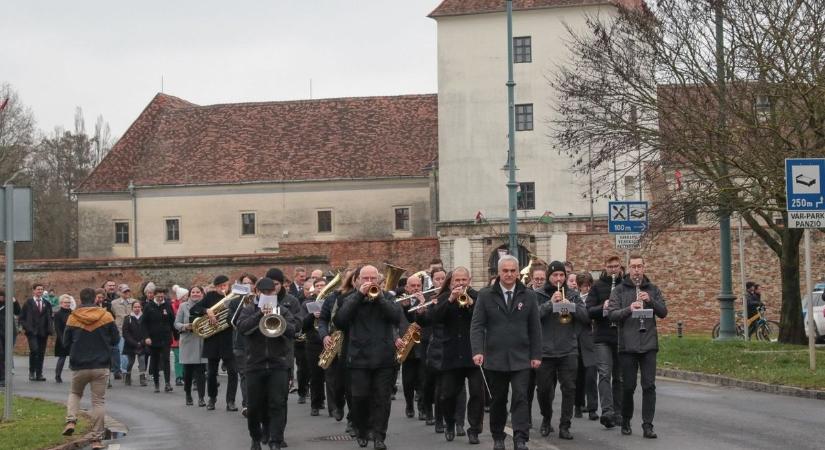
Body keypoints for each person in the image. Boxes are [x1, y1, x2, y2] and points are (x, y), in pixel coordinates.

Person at [471, 255, 542, 450]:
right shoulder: (486, 295)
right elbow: (477, 325)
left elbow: (535, 327)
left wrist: (536, 355)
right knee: (498, 400)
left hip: (522, 357)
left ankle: (520, 438)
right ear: (499, 272)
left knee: (520, 397)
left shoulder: (528, 296)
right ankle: (498, 436)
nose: (509, 274)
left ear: (518, 272)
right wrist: (477, 350)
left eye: (513, 271)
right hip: (495, 357)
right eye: (505, 271)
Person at [333, 265, 404, 450]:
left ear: (379, 280)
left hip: (384, 359)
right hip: (358, 358)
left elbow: (396, 317)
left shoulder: (387, 297)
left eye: (373, 278)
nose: (370, 282)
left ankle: (380, 436)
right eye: (366, 278)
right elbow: (340, 321)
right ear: (357, 280)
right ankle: (362, 430)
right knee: (359, 398)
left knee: (382, 400)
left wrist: (379, 297)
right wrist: (359, 296)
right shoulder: (348, 298)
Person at [237, 277, 301, 450]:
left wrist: (277, 316)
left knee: (277, 404)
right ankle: (256, 439)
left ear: (275, 292)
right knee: (254, 405)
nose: (268, 294)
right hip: (254, 364)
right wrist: (260, 314)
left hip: (277, 364)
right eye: (264, 292)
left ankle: (275, 440)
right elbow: (242, 327)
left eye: (271, 292)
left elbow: (293, 331)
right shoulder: (249, 309)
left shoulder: (282, 310)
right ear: (257, 292)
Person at [608, 254, 668, 439]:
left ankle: (647, 425)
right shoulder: (619, 290)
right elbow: (612, 314)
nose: (636, 270)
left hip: (649, 344)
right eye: (633, 267)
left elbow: (663, 312)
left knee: (649, 386)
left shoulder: (653, 289)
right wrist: (629, 309)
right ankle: (625, 420)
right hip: (628, 346)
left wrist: (650, 300)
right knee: (628, 386)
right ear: (628, 269)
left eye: (639, 267)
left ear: (644, 268)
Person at [428, 267, 483, 444]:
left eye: (463, 280)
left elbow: (484, 319)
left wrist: (471, 306)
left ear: (469, 280)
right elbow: (434, 318)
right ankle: (450, 422)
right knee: (447, 394)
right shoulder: (444, 297)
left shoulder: (478, 297)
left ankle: (474, 429)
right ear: (451, 282)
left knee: (477, 394)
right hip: (451, 352)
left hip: (473, 352)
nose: (460, 284)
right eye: (457, 281)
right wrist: (451, 300)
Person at [536, 261, 589, 440]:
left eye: (561, 275)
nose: (559, 278)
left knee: (569, 389)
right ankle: (546, 418)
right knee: (543, 390)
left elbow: (585, 317)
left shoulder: (573, 295)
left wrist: (570, 306)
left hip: (568, 350)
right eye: (555, 275)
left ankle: (565, 425)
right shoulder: (538, 295)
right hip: (545, 351)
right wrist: (550, 304)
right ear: (549, 277)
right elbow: (532, 317)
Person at [61, 287, 120, 450]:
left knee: (75, 393)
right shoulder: (106, 316)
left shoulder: (73, 317)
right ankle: (96, 439)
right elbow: (115, 339)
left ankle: (71, 420)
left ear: (80, 300)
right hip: (101, 365)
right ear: (95, 299)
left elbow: (65, 342)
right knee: (98, 401)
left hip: (79, 364)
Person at [191, 275, 239, 411]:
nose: (223, 288)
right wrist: (207, 311)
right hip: (212, 340)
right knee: (211, 373)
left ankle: (231, 401)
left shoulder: (234, 297)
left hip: (229, 339)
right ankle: (212, 398)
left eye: (225, 285)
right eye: (220, 286)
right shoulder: (210, 296)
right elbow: (193, 310)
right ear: (216, 287)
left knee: (233, 372)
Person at [587, 256, 624, 429]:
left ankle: (619, 412)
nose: (613, 269)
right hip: (602, 336)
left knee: (619, 377)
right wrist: (603, 306)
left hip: (621, 336)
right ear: (605, 267)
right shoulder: (597, 286)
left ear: (620, 267)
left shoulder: (625, 286)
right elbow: (588, 310)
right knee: (604, 374)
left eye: (616, 266)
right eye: (610, 266)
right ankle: (607, 412)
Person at [318, 268, 357, 433]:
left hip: (352, 344)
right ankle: (338, 405)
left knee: (353, 386)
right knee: (335, 382)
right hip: (334, 341)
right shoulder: (332, 297)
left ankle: (352, 419)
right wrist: (324, 335)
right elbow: (323, 319)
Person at [398, 273, 428, 420]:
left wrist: (422, 304)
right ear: (407, 287)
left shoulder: (426, 300)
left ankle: (422, 408)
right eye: (413, 286)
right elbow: (401, 321)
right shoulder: (402, 302)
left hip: (422, 344)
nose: (416, 288)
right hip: (407, 344)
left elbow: (425, 320)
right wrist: (406, 307)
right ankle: (409, 404)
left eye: (418, 286)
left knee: (423, 379)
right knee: (408, 380)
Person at [176, 285, 208, 406]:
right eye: (193, 292)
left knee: (201, 373)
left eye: (198, 292)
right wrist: (185, 326)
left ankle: (201, 398)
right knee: (188, 373)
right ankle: (188, 395)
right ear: (189, 294)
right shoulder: (183, 306)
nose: (195, 294)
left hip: (201, 341)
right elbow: (176, 323)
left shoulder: (207, 306)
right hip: (188, 341)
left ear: (202, 294)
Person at [300, 276, 328, 416]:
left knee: (330, 376)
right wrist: (312, 316)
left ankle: (334, 406)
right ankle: (315, 404)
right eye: (318, 286)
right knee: (316, 375)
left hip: (328, 341)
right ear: (314, 288)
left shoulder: (331, 302)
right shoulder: (307, 303)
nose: (321, 288)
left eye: (323, 285)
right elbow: (302, 326)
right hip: (313, 343)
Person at [142, 286, 176, 393]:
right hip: (153, 338)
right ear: (154, 295)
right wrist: (146, 337)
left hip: (165, 337)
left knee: (166, 360)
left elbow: (172, 321)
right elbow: (144, 323)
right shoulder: (149, 306)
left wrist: (176, 335)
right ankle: (156, 384)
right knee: (155, 361)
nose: (161, 297)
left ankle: (167, 383)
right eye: (159, 295)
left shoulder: (167, 305)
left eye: (162, 295)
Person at [20, 283, 53, 381]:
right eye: (38, 289)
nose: (40, 291)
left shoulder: (47, 303)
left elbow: (50, 317)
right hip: (32, 332)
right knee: (34, 350)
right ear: (33, 291)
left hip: (43, 332)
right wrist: (27, 327)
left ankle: (39, 374)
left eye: (41, 289)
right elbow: (22, 318)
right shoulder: (28, 303)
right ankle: (32, 372)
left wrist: (49, 329)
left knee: (41, 353)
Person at [110, 284, 136, 379]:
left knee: (131, 353)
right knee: (122, 351)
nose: (127, 293)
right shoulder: (114, 303)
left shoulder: (134, 302)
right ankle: (124, 371)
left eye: (128, 291)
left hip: (132, 331)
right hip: (120, 330)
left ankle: (127, 369)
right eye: (124, 292)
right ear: (120, 293)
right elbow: (113, 314)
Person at [122, 301, 147, 386]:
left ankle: (142, 378)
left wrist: (142, 342)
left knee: (142, 360)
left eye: (138, 307)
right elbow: (125, 333)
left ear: (141, 308)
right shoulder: (128, 318)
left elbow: (147, 330)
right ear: (132, 308)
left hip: (142, 343)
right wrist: (134, 343)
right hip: (130, 344)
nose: (137, 308)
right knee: (131, 362)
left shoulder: (144, 318)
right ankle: (128, 375)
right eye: (135, 307)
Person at [0, 291, 21, 388]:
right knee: (1, 355)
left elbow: (18, 311)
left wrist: (14, 301)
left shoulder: (9, 304)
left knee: (6, 355)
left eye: (2, 297)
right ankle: (2, 378)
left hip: (9, 333)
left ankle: (5, 377)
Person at [53, 295, 74, 383]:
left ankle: (76, 377)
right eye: (65, 302)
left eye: (69, 302)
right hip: (62, 338)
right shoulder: (57, 314)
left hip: (73, 339)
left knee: (74, 358)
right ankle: (58, 375)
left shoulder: (73, 313)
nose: (67, 304)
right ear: (61, 303)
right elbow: (57, 329)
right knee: (62, 358)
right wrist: (63, 340)